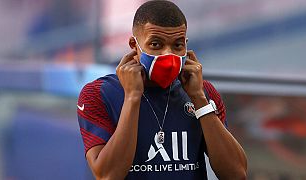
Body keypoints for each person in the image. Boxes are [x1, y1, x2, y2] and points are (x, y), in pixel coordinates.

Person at [77, 1, 247, 179]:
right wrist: (132, 97)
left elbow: (236, 174)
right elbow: (108, 176)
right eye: (156, 45)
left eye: (178, 45)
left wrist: (199, 99)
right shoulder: (98, 94)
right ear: (134, 45)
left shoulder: (203, 92)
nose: (168, 54)